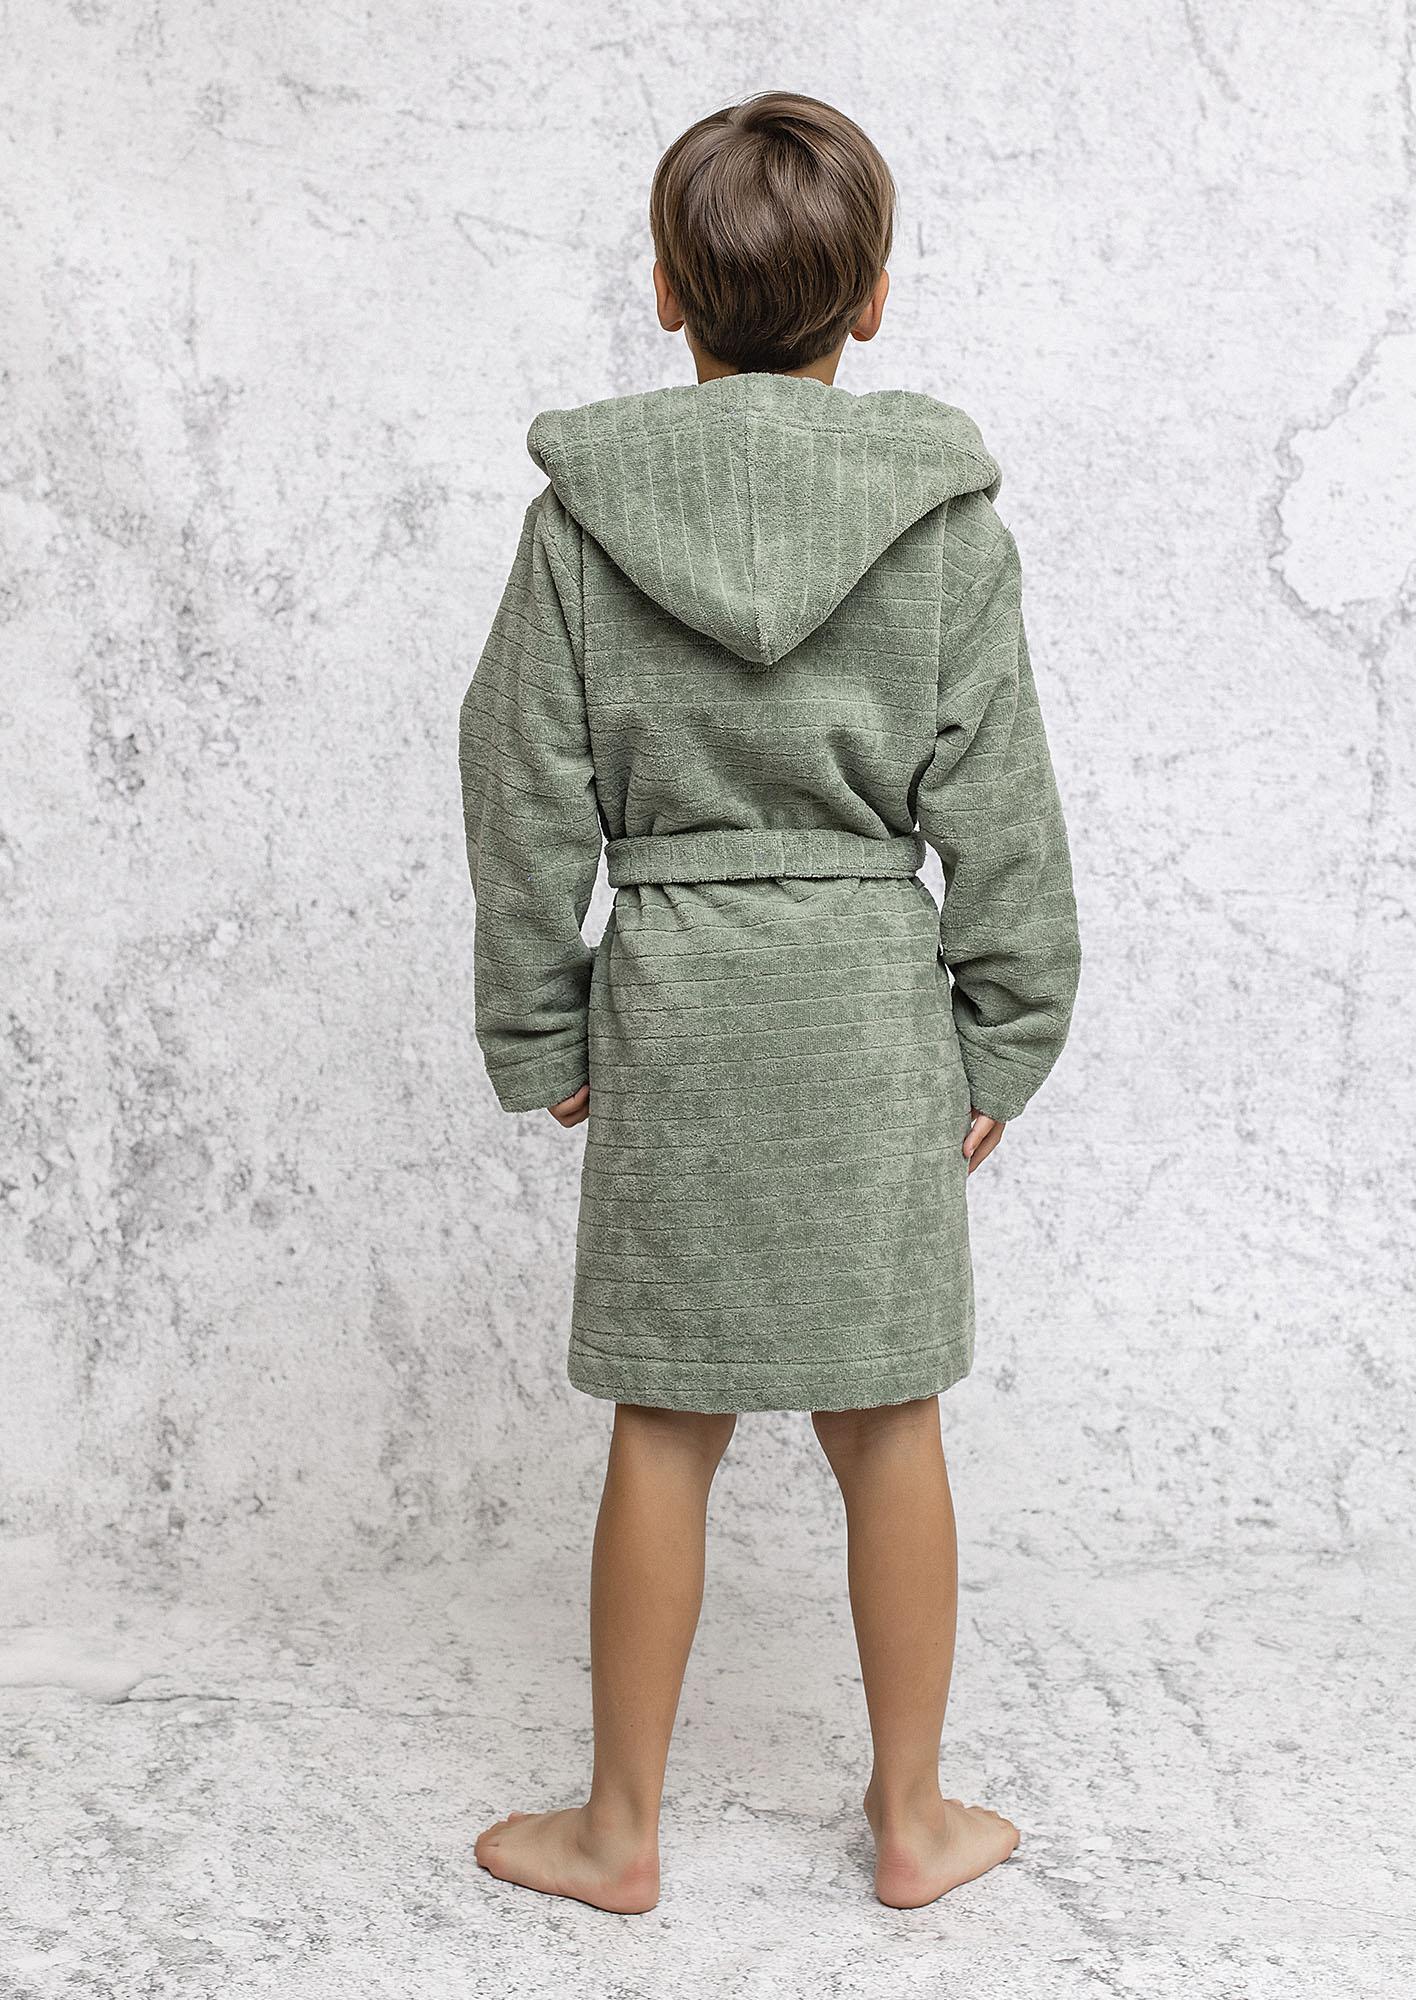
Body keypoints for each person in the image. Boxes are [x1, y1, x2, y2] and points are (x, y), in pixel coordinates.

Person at [458, 89, 1082, 1914]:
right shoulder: (946, 529)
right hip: (867, 1012)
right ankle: (915, 1817)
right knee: (889, 1417)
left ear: (666, 291)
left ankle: (618, 1831)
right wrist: (1007, 1030)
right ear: (872, 300)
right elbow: (1006, 809)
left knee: (667, 1417)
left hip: (675, 1008)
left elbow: (517, 785)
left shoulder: (581, 529)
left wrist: (541, 1021)